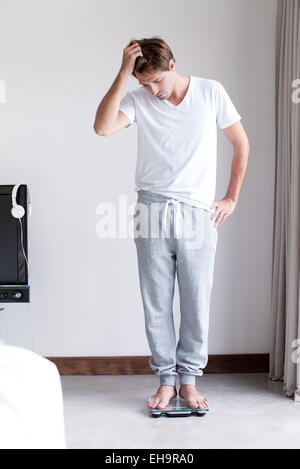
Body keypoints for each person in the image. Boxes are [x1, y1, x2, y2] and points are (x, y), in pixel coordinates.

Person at [93, 36, 250, 410]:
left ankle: (189, 382)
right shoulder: (137, 99)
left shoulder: (211, 93)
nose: (152, 90)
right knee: (157, 303)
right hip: (151, 208)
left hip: (197, 211)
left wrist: (231, 198)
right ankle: (166, 380)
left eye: (157, 81)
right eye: (143, 83)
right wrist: (121, 73)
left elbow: (241, 144)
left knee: (196, 300)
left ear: (173, 65)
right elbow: (101, 128)